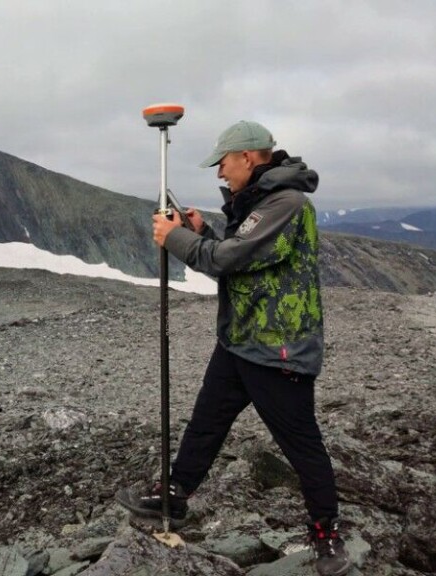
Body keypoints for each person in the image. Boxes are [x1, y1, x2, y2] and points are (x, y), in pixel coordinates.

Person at [115, 120, 351, 576]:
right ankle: (175, 495)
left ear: (248, 157)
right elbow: (242, 262)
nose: (220, 172)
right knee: (205, 424)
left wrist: (177, 238)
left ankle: (326, 534)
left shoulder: (287, 204)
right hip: (240, 342)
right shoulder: (262, 201)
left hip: (277, 351)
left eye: (223, 162)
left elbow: (227, 260)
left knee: (301, 445)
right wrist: (202, 232)